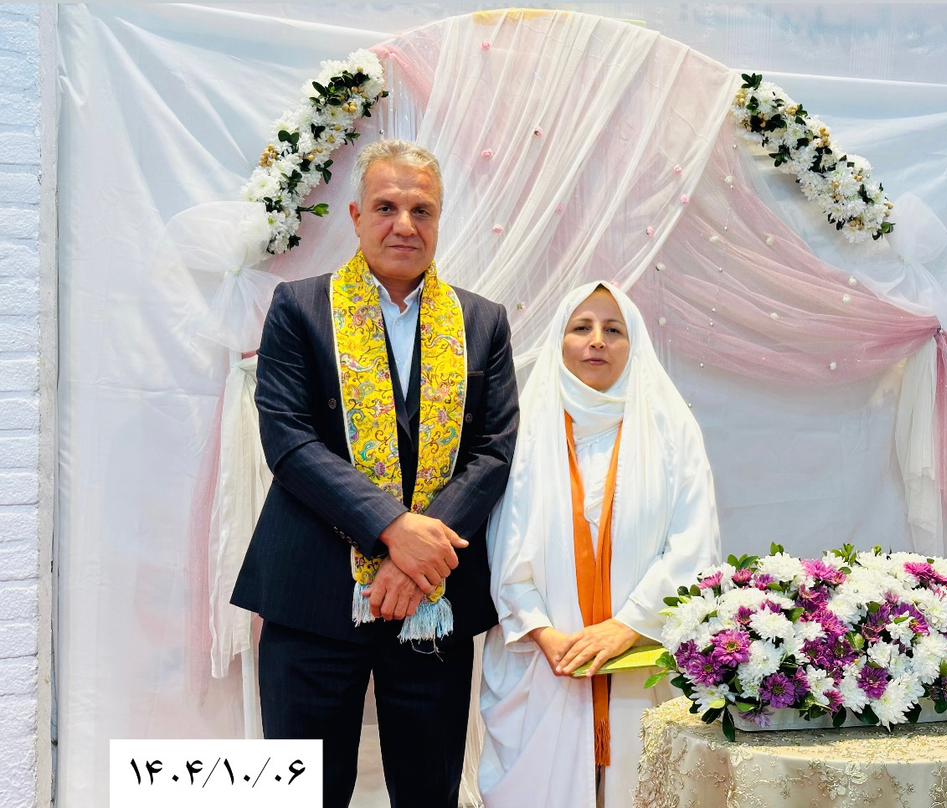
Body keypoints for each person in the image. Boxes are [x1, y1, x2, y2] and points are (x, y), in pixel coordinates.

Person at [231, 140, 518, 808]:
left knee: (429, 792)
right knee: (302, 794)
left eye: (422, 210)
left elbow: (494, 451)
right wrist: (393, 529)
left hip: (431, 601)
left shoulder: (481, 322)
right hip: (312, 593)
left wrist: (417, 557)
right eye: (387, 207)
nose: (404, 225)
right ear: (357, 217)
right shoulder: (300, 307)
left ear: (439, 220)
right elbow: (288, 440)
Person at [479, 282, 721, 808]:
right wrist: (543, 633)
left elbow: (694, 542)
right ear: (559, 341)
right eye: (581, 328)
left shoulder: (671, 430)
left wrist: (628, 625)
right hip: (546, 660)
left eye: (614, 330)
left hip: (642, 656)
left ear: (634, 345)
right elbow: (503, 543)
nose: (597, 341)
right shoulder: (524, 431)